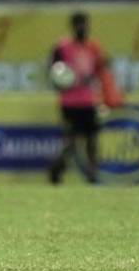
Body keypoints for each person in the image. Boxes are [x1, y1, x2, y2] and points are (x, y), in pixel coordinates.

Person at [47, 11, 121, 184]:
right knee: (71, 141)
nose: (82, 28)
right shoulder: (62, 47)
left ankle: (92, 175)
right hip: (70, 102)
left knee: (92, 140)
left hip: (89, 101)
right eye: (78, 24)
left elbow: (101, 68)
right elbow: (52, 72)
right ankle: (57, 169)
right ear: (72, 26)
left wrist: (105, 70)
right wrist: (63, 83)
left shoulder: (93, 47)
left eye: (84, 24)